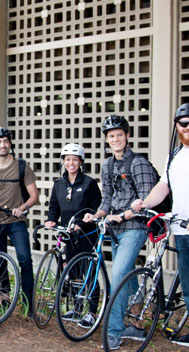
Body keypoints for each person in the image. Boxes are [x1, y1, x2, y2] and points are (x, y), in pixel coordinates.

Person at [83, 114, 157, 349]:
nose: (115, 139)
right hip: (115, 228)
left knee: (117, 278)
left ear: (127, 136)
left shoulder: (139, 163)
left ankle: (113, 333)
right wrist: (96, 215)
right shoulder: (107, 165)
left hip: (134, 228)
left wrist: (123, 214)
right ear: (107, 140)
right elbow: (107, 200)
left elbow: (146, 201)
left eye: (118, 135)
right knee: (127, 275)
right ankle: (136, 325)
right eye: (110, 136)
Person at [131, 103, 189, 347]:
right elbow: (163, 187)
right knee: (188, 285)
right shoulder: (174, 155)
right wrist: (144, 203)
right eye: (183, 123)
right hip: (181, 230)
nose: (188, 127)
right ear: (176, 126)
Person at [0, 127, 39, 314]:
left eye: (5, 141)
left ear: (10, 144)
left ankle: (28, 304)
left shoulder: (21, 166)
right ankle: (5, 300)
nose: (2, 145)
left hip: (16, 222)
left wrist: (22, 208)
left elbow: (34, 196)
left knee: (25, 260)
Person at [44, 143, 102, 328]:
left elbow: (96, 207)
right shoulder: (58, 184)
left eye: (75, 160)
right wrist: (51, 220)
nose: (71, 163)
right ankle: (77, 308)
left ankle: (92, 312)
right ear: (63, 161)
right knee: (74, 272)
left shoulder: (89, 183)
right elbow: (54, 206)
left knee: (89, 272)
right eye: (67, 159)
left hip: (87, 234)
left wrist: (83, 222)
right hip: (69, 234)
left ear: (81, 162)